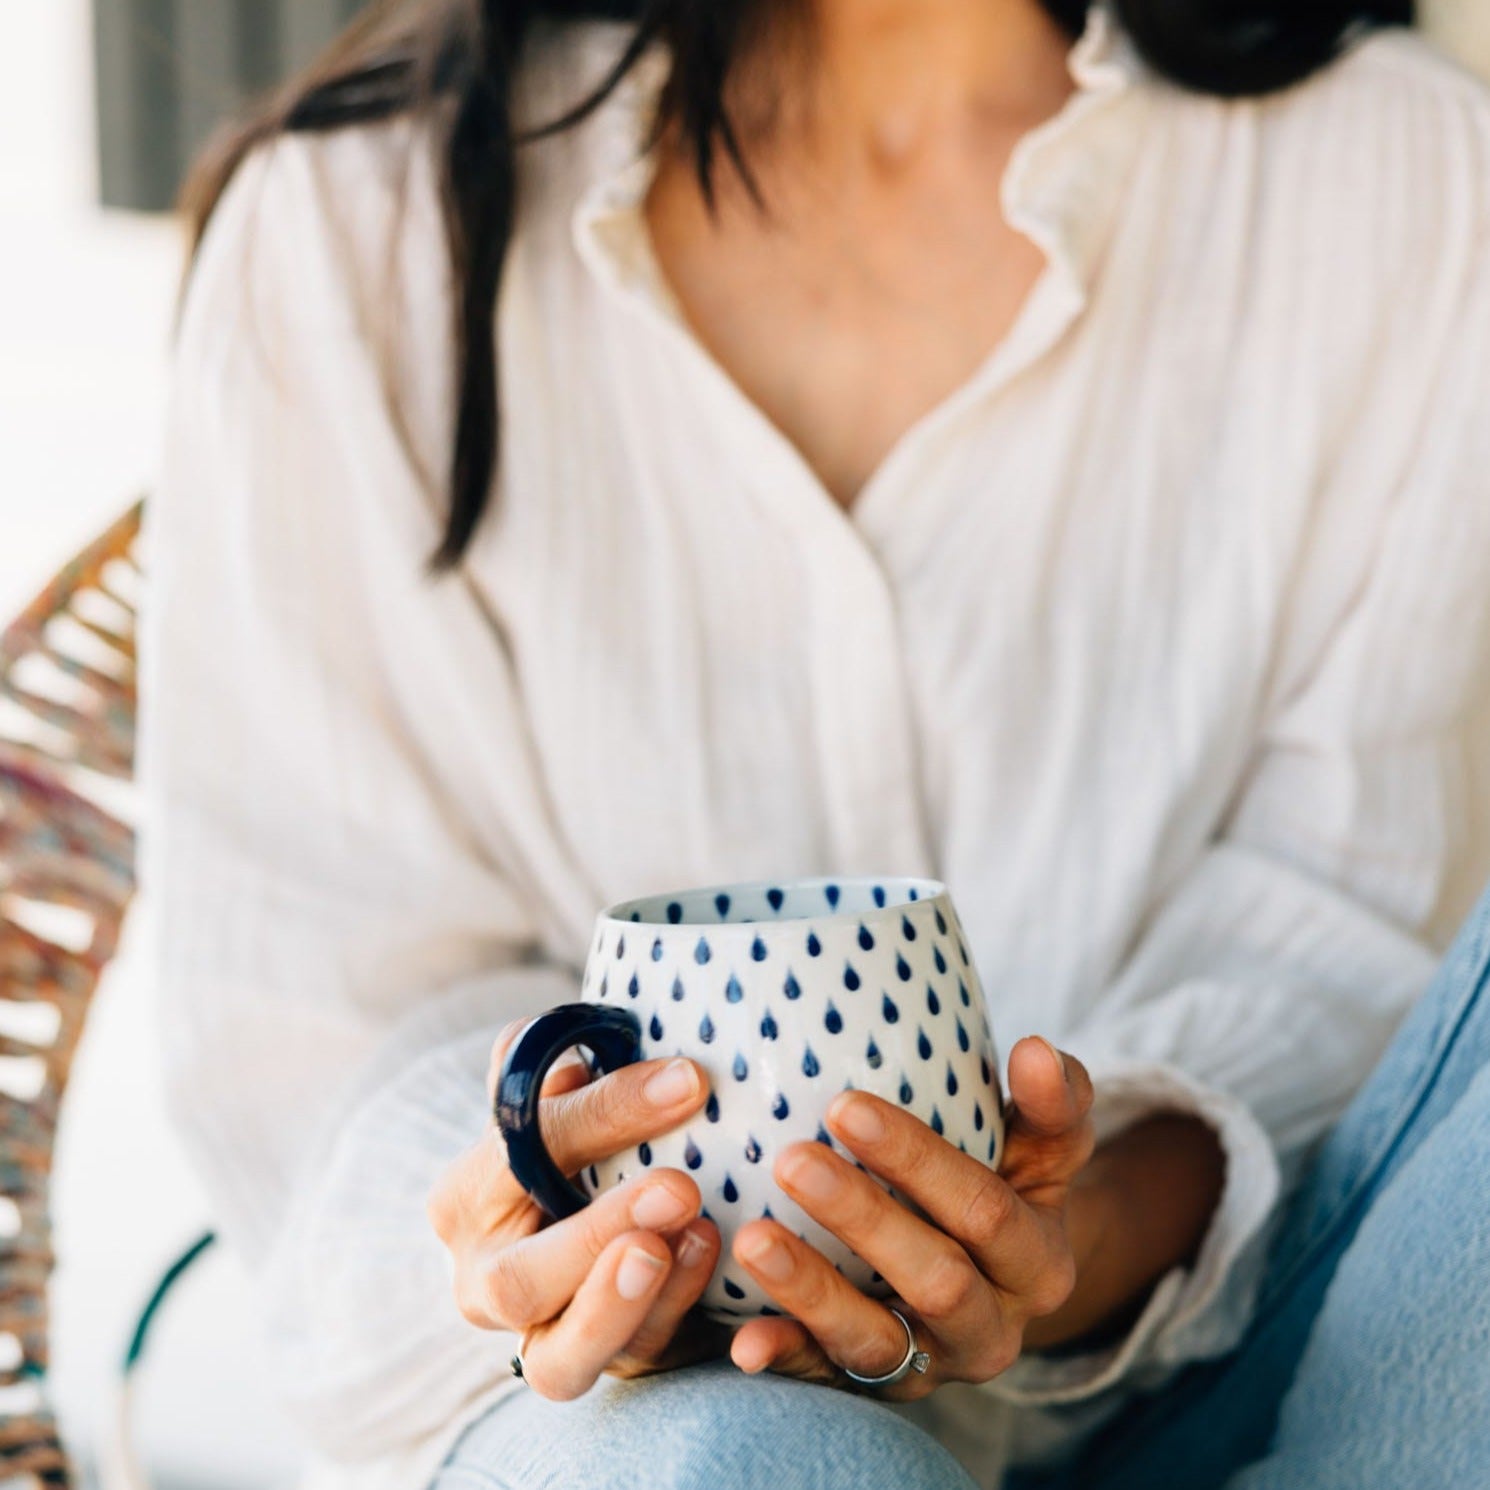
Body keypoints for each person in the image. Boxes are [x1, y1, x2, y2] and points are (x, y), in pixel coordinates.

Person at [135, 1, 1490, 1487]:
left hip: (1269, 1369)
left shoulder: (1406, 182)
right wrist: (558, 1244)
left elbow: (1354, 918)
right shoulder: (354, 235)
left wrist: (1070, 1235)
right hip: (618, 1417)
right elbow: (330, 1018)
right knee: (746, 1459)